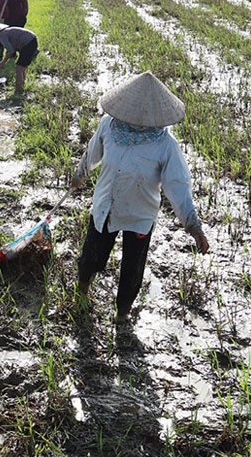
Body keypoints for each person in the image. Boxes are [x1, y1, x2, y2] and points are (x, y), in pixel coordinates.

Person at [69, 71, 211, 323]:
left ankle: (122, 314)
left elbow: (178, 187)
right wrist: (79, 175)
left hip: (140, 215)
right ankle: (82, 292)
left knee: (132, 268)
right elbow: (91, 154)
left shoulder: (165, 144)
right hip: (105, 207)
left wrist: (194, 226)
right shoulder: (109, 126)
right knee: (91, 257)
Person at [0, 22, 39, 98]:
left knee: (19, 67)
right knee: (22, 67)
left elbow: (10, 51)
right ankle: (22, 86)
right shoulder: (5, 32)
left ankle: (18, 91)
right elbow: (12, 49)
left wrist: (2, 63)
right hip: (32, 40)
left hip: (28, 43)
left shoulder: (1, 35)